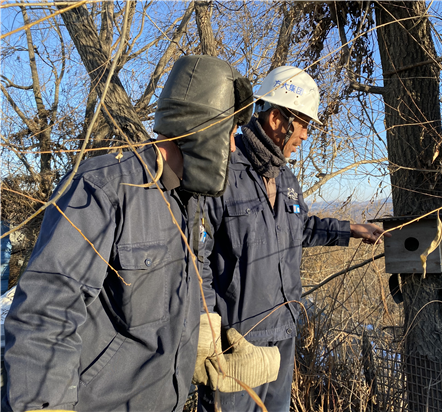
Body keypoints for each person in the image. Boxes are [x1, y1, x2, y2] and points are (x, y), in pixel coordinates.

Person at [2, 55, 256, 412]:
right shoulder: (105, 188)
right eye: (229, 133)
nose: (233, 146)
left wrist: (199, 345)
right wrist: (44, 405)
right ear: (203, 129)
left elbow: (184, 290)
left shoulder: (189, 203)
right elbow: (46, 312)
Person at [197, 66, 390, 411]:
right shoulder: (223, 172)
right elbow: (197, 258)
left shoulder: (285, 178)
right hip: (236, 341)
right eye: (302, 125)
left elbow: (298, 229)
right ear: (276, 119)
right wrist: (209, 332)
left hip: (284, 331)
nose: (304, 135)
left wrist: (352, 230)